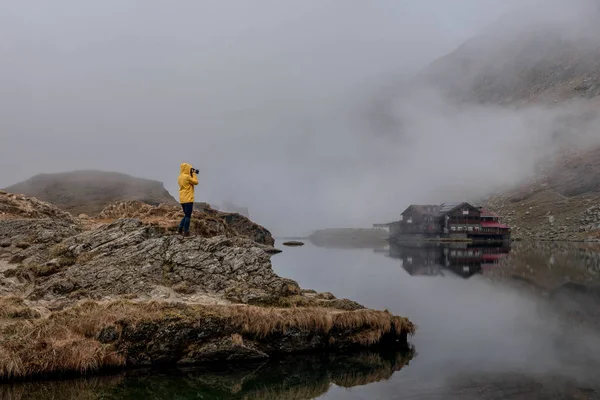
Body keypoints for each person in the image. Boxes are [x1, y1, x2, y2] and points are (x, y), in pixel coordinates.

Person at [177, 162, 199, 236]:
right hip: (188, 199)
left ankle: (180, 229)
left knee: (186, 215)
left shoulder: (180, 177)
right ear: (187, 169)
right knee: (188, 216)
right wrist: (194, 174)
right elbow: (196, 182)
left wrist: (191, 173)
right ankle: (186, 232)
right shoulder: (187, 177)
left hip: (182, 199)